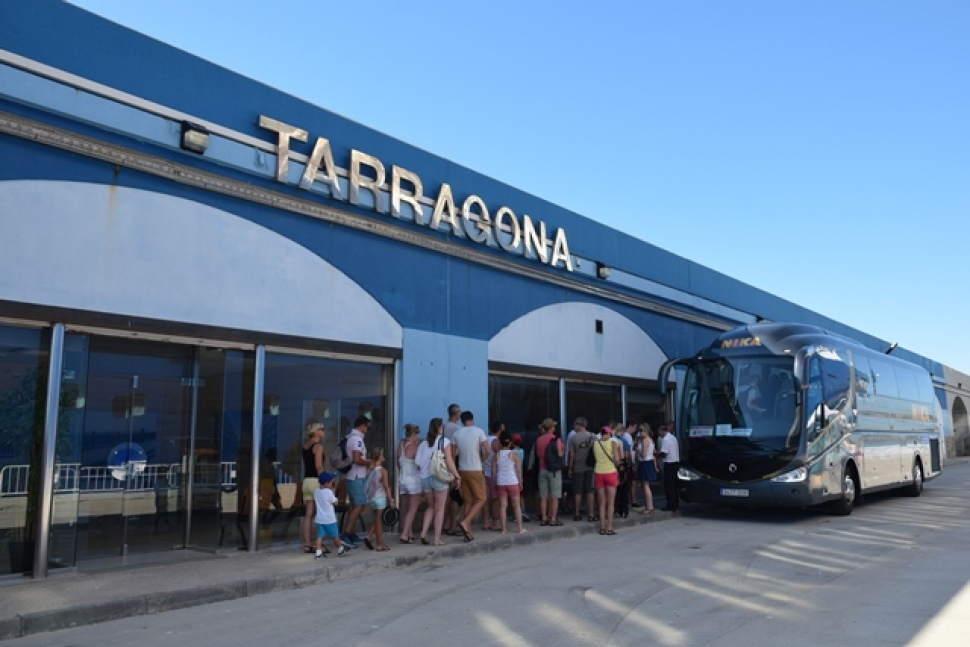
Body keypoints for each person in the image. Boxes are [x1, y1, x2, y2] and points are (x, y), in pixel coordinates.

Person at [416, 417, 460, 546]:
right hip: (438, 477)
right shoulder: (444, 441)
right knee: (440, 508)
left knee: (430, 507)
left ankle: (423, 533)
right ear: (440, 428)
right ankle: (436, 538)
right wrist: (456, 476)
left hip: (425, 478)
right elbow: (449, 461)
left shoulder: (423, 443)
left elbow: (417, 463)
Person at [452, 410, 489, 542]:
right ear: (472, 419)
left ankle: (468, 532)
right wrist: (481, 460)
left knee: (468, 501)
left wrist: (454, 472)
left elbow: (452, 454)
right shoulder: (479, 431)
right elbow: (488, 450)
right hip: (475, 469)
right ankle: (466, 522)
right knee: (481, 499)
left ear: (461, 421)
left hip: (462, 470)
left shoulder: (457, 433)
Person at [339, 415, 373, 548]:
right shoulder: (357, 440)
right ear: (362, 426)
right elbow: (357, 459)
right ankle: (346, 533)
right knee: (360, 505)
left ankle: (351, 532)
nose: (368, 429)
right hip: (356, 476)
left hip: (351, 476)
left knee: (354, 505)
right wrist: (369, 461)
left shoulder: (350, 437)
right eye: (367, 426)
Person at [363, 447, 395, 551]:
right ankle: (379, 544)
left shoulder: (370, 469)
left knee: (377, 518)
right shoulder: (383, 471)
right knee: (378, 520)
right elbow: (386, 486)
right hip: (380, 497)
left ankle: (369, 536)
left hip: (371, 498)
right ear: (380, 457)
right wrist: (391, 499)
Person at [493, 430, 526, 534]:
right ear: (510, 442)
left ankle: (504, 529)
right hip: (512, 481)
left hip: (501, 482)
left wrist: (495, 482)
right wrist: (520, 482)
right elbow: (519, 470)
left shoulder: (496, 455)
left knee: (503, 506)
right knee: (516, 506)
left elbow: (494, 472)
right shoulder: (514, 455)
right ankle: (520, 528)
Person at [592, 424, 622, 535]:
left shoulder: (595, 443)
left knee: (601, 502)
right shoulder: (613, 442)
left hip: (598, 472)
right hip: (610, 472)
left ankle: (602, 528)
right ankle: (610, 527)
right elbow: (617, 459)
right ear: (609, 433)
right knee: (611, 502)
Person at [534, 418, 564, 526]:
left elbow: (538, 455)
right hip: (554, 470)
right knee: (554, 495)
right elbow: (560, 454)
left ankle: (544, 517)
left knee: (543, 496)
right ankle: (553, 518)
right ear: (551, 428)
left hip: (542, 469)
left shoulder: (539, 439)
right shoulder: (556, 440)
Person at [396, 423, 423, 544]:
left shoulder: (400, 445)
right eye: (416, 435)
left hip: (402, 479)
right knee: (413, 509)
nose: (417, 437)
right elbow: (419, 463)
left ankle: (410, 534)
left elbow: (399, 463)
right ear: (413, 434)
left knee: (408, 509)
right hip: (413, 480)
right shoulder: (413, 447)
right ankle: (405, 534)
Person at [301, 418, 325, 553]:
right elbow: (319, 466)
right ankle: (318, 543)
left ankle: (307, 543)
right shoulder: (318, 446)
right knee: (321, 513)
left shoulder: (305, 446)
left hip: (306, 481)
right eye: (321, 429)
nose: (323, 431)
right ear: (316, 432)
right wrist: (326, 481)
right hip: (316, 481)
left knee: (308, 514)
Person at [567, 417, 595, 522]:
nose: (574, 427)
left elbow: (571, 455)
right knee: (590, 491)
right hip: (590, 467)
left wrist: (570, 468)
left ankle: (577, 513)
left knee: (577, 492)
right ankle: (591, 514)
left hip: (578, 467)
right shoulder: (592, 436)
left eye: (575, 425)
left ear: (579, 425)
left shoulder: (573, 438)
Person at [313, 471, 347, 558]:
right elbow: (335, 502)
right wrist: (333, 493)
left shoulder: (316, 491)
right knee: (335, 535)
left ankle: (318, 551)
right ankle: (340, 548)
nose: (332, 483)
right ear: (327, 483)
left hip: (320, 519)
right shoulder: (328, 493)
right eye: (331, 482)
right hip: (329, 519)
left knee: (320, 536)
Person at [442, 403, 462, 534]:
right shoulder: (457, 429)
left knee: (447, 496)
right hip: (454, 462)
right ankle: (452, 526)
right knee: (455, 495)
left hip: (442, 463)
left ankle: (446, 523)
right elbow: (457, 448)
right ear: (456, 414)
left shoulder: (443, 427)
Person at [482, 420, 504, 531]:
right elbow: (498, 457)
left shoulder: (486, 439)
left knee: (486, 499)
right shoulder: (495, 441)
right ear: (499, 428)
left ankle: (486, 521)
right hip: (492, 473)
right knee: (495, 498)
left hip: (485, 471)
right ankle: (495, 522)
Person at [634, 423, 657, 514]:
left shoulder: (645, 440)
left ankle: (649, 506)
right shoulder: (649, 440)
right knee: (645, 485)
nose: (640, 433)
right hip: (648, 462)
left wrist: (637, 451)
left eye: (641, 431)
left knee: (645, 485)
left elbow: (644, 454)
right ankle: (649, 505)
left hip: (645, 462)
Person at [658, 421, 681, 512]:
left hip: (669, 463)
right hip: (675, 463)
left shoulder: (666, 439)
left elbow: (665, 453)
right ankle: (675, 503)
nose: (659, 435)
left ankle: (671, 505)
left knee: (669, 486)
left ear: (663, 431)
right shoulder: (673, 438)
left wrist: (657, 455)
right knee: (674, 485)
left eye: (659, 433)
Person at [510, 434, 530, 522]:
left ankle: (516, 514)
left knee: (514, 496)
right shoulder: (522, 451)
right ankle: (523, 511)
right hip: (520, 475)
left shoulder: (511, 453)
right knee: (521, 495)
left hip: (513, 475)